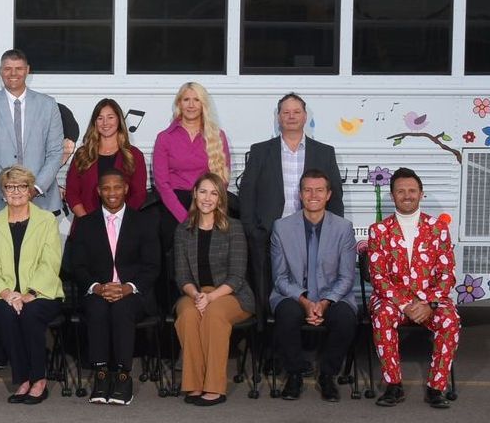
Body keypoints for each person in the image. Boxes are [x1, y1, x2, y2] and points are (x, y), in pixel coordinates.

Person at [62, 169, 160, 406]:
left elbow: (152, 266)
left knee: (121, 309)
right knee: (97, 309)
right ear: (98, 191)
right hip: (98, 291)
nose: (112, 193)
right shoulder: (86, 224)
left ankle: (123, 376)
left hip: (134, 293)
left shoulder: (144, 222)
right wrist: (96, 287)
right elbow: (77, 266)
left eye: (117, 187)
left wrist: (128, 287)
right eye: (106, 188)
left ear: (125, 189)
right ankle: (102, 374)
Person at [239, 93, 344, 309]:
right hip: (268, 235)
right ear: (278, 117)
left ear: (305, 116)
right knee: (268, 299)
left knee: (313, 294)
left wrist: (331, 233)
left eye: (296, 112)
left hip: (313, 233)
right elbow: (247, 195)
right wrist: (253, 230)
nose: (291, 116)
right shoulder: (260, 151)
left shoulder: (324, 152)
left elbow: (335, 197)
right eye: (286, 112)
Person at [366, 168, 459, 409]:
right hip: (392, 300)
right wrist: (406, 305)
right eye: (401, 191)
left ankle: (436, 388)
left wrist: (429, 303)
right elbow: (378, 277)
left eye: (412, 191)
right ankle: (393, 386)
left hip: (430, 299)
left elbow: (447, 274)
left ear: (421, 193)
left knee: (450, 319)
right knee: (382, 316)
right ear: (393, 196)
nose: (407, 195)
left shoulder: (438, 228)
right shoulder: (379, 230)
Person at [269, 169, 358, 403]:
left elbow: (346, 277)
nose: (313, 195)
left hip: (333, 294)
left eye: (319, 190)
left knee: (346, 318)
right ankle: (294, 374)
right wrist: (305, 302)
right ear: (300, 194)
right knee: (287, 314)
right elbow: (280, 277)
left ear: (328, 195)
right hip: (293, 294)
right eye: (307, 190)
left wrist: (325, 302)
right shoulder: (281, 228)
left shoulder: (343, 228)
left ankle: (327, 375)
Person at [0, 165, 64, 405]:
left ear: (30, 190)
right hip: (0, 294)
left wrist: (30, 293)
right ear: (3, 192)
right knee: (6, 316)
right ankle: (23, 378)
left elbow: (50, 262)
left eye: (22, 186)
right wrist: (7, 294)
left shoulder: (46, 220)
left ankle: (39, 379)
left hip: (42, 292)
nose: (16, 191)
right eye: (10, 186)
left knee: (30, 314)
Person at [172, 173, 254, 406]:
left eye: (214, 193)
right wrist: (197, 295)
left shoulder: (234, 228)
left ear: (220, 199)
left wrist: (210, 298)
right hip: (195, 292)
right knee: (188, 315)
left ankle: (215, 387)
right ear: (194, 194)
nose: (207, 198)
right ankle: (194, 383)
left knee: (214, 314)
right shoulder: (183, 230)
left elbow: (237, 276)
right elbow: (182, 276)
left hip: (230, 294)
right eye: (203, 192)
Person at [0, 49, 65, 219]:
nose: (13, 73)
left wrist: (35, 188)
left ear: (27, 70)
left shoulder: (48, 105)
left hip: (40, 200)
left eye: (19, 68)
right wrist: (7, 189)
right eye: (8, 69)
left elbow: (55, 153)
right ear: (1, 71)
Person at [152, 81, 231, 248]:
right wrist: (185, 217)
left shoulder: (218, 136)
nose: (191, 105)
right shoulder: (164, 138)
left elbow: (222, 179)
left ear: (203, 104)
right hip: (174, 204)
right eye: (186, 99)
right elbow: (162, 184)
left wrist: (206, 209)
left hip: (209, 203)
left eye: (196, 100)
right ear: (179, 103)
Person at [65, 98, 147, 218]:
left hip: (124, 225)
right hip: (86, 223)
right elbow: (72, 192)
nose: (105, 123)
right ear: (95, 122)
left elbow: (139, 194)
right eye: (100, 118)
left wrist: (118, 221)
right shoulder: (82, 154)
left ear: (119, 120)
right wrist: (87, 221)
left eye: (110, 117)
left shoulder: (134, 155)